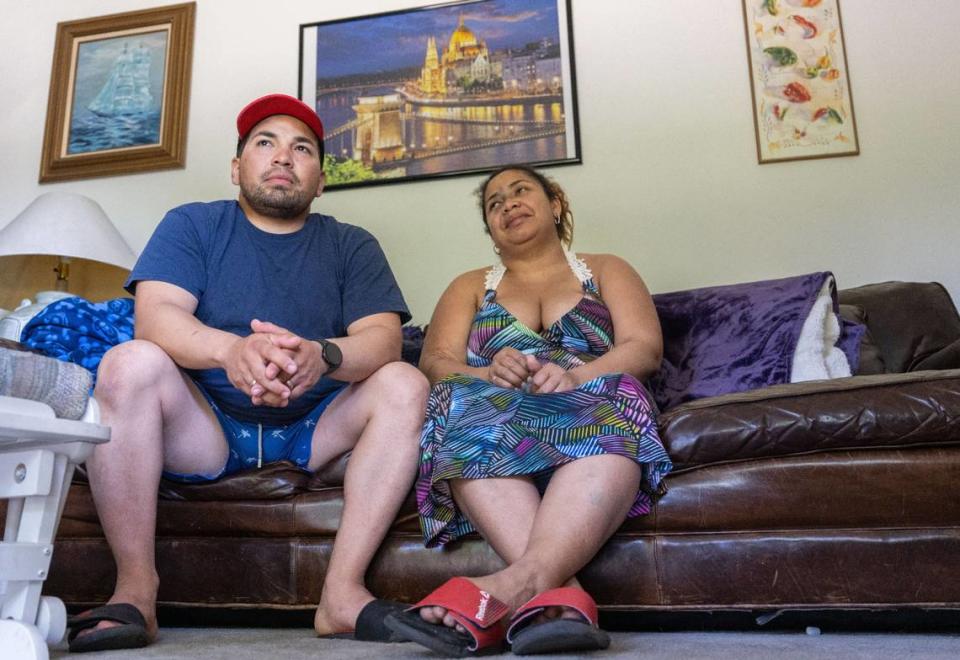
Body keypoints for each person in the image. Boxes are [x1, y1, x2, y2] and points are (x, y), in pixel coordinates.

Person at [66, 94, 428, 652]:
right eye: (266, 143)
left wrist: (322, 355)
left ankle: (341, 595)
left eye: (301, 148)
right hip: (205, 430)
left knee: (406, 381)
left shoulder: (352, 244)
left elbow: (382, 341)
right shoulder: (193, 224)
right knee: (128, 362)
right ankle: (135, 591)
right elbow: (155, 318)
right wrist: (231, 352)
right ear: (237, 167)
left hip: (316, 429)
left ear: (321, 179)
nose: (283, 157)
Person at [384, 165, 673, 656]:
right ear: (491, 231)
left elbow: (644, 348)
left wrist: (577, 376)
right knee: (456, 402)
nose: (508, 204)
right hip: (497, 418)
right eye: (494, 203)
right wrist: (488, 373)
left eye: (521, 192)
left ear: (555, 204)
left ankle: (510, 588)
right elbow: (436, 364)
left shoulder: (606, 268)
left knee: (619, 392)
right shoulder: (470, 285)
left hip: (591, 404)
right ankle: (565, 599)